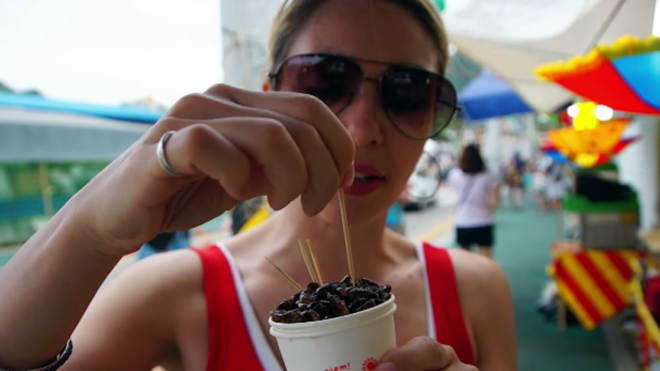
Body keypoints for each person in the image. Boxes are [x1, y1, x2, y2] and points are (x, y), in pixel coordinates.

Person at [0, 1, 516, 371]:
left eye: (409, 91)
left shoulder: (477, 291)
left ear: (433, 115)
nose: (361, 132)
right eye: (324, 80)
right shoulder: (177, 293)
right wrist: (89, 232)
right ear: (271, 96)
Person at [447, 144, 500, 259]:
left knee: (466, 263)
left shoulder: (455, 174)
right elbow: (496, 202)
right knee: (486, 262)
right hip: (483, 221)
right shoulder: (488, 175)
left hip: (462, 222)